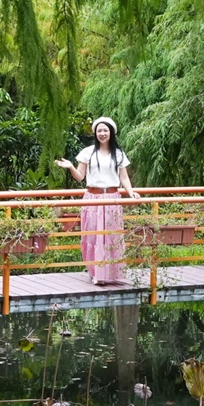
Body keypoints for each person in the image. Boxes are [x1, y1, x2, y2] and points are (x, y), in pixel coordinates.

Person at [54, 116, 140, 285]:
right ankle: (96, 274)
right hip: (92, 198)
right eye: (99, 130)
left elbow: (124, 177)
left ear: (111, 133)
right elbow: (80, 177)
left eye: (105, 130)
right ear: (95, 133)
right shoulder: (87, 153)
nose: (102, 133)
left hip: (112, 199)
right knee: (94, 236)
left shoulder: (119, 154)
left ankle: (113, 273)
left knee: (112, 236)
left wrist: (131, 192)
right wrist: (71, 167)